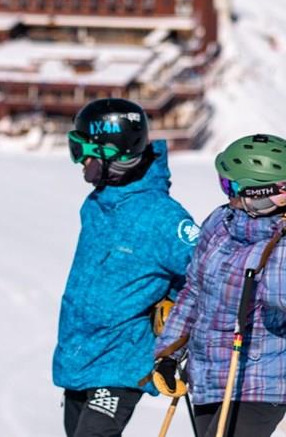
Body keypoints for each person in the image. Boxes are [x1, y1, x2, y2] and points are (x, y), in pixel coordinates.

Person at [152, 134, 286, 437]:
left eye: (231, 186)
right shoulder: (221, 222)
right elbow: (194, 290)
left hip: (257, 383)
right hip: (209, 377)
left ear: (261, 193)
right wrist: (169, 352)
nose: (226, 193)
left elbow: (282, 296)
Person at [53, 98, 199, 437]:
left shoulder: (163, 217)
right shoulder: (96, 205)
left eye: (84, 151)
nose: (80, 162)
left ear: (113, 153)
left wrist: (176, 318)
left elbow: (208, 274)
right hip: (79, 354)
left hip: (121, 360)